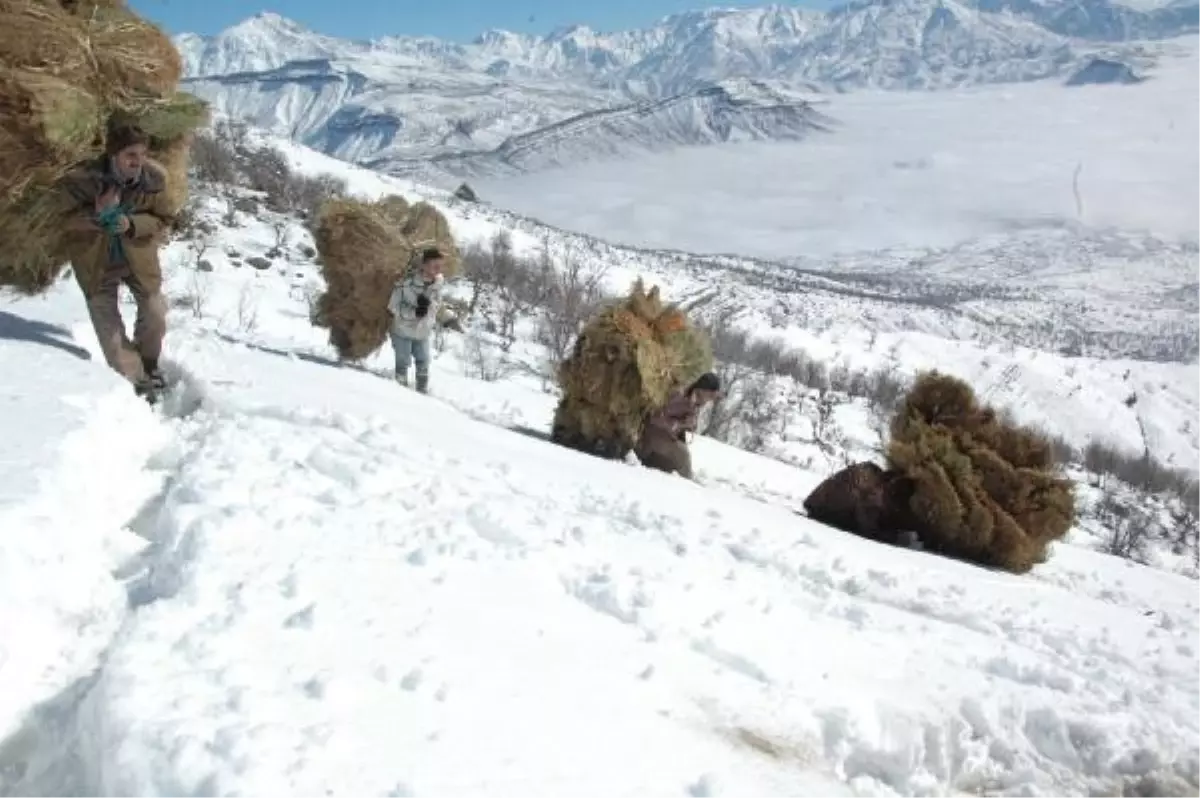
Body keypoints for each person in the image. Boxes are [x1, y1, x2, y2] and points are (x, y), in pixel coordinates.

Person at [58, 122, 176, 403]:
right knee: (112, 341)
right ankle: (137, 380)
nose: (138, 161)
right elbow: (60, 221)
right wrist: (96, 216)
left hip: (138, 260)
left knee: (155, 313)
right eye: (130, 155)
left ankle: (150, 364)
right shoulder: (83, 181)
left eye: (142, 154)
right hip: (95, 264)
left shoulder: (153, 182)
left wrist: (131, 224)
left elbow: (164, 220)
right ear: (113, 156)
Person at [635, 372, 722, 480]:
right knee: (683, 456)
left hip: (666, 435)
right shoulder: (679, 396)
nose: (710, 399)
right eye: (710, 395)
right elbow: (655, 417)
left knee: (671, 467)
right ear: (702, 389)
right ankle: (687, 485)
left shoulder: (695, 401)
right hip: (652, 433)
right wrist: (679, 424)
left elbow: (688, 423)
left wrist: (690, 424)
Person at [387, 247, 445, 393]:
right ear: (424, 265)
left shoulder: (438, 285)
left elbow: (437, 306)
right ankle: (398, 393)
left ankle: (422, 394)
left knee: (424, 362)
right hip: (402, 331)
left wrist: (429, 306)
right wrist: (414, 312)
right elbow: (393, 306)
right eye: (434, 265)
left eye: (440, 265)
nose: (438, 269)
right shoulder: (406, 283)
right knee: (403, 363)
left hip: (423, 332)